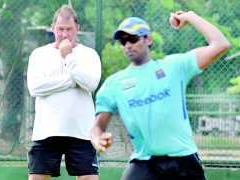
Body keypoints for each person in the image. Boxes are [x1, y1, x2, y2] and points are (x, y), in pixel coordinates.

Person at [91, 10, 230, 180]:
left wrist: (190, 17)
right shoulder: (114, 84)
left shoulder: (174, 66)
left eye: (133, 39)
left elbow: (221, 44)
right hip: (146, 163)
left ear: (148, 39)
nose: (128, 45)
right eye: (123, 41)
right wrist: (97, 139)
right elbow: (98, 126)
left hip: (184, 159)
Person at [26, 4, 101, 180]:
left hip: (81, 132)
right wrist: (73, 81)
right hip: (46, 131)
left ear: (78, 29)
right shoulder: (39, 54)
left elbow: (90, 84)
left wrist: (68, 57)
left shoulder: (89, 55)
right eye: (60, 29)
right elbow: (35, 88)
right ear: (53, 28)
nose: (65, 34)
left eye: (69, 29)